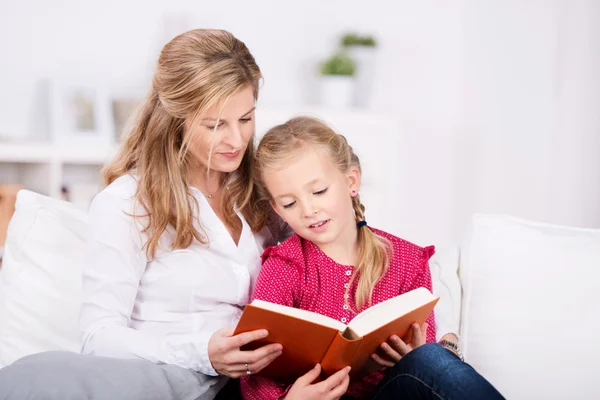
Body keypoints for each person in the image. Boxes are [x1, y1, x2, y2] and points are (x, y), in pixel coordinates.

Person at [0, 29, 287, 400]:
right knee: (36, 376)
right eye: (215, 125)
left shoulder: (263, 191)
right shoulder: (129, 202)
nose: (236, 140)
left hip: (261, 383)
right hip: (170, 380)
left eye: (246, 119)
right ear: (176, 118)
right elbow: (98, 335)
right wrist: (202, 354)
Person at [240, 116, 505, 400]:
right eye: (290, 203)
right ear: (278, 210)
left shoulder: (408, 261)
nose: (308, 210)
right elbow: (255, 368)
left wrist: (412, 355)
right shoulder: (284, 266)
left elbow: (425, 346)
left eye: (319, 191)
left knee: (431, 357)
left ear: (351, 181)